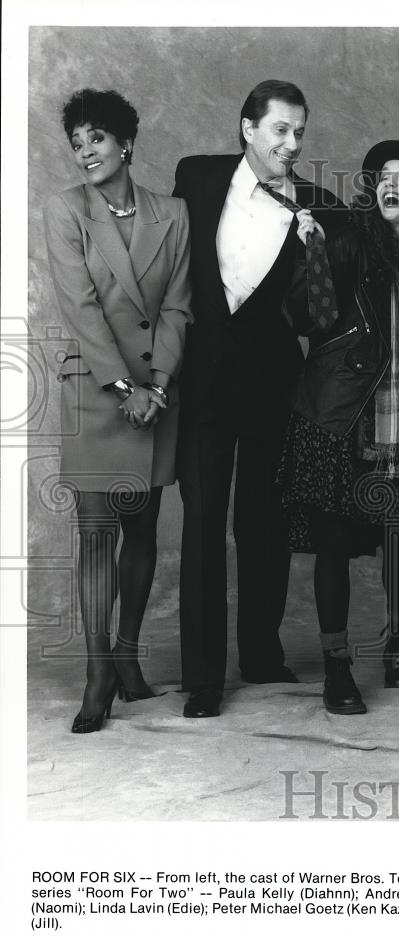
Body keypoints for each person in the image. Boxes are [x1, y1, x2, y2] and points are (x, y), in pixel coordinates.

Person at [173, 80, 347, 718]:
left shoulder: (321, 206)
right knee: (202, 525)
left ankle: (262, 654)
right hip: (203, 385)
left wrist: (317, 250)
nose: (293, 143)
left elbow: (323, 313)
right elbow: (167, 268)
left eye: (300, 132)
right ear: (248, 129)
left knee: (264, 525)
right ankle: (202, 677)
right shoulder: (194, 178)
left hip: (277, 386)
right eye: (281, 130)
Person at [277, 140, 399, 713]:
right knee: (333, 545)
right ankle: (337, 670)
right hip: (343, 413)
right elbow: (307, 318)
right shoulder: (347, 242)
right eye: (381, 176)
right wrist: (313, 257)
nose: (390, 184)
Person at [43, 89, 192, 733]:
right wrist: (125, 389)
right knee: (97, 538)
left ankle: (129, 658)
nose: (85, 153)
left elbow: (180, 306)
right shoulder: (64, 209)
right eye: (76, 144)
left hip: (157, 398)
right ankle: (98, 669)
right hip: (96, 395)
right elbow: (78, 308)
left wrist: (157, 385)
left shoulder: (174, 213)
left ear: (125, 142)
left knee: (142, 534)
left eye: (96, 139)